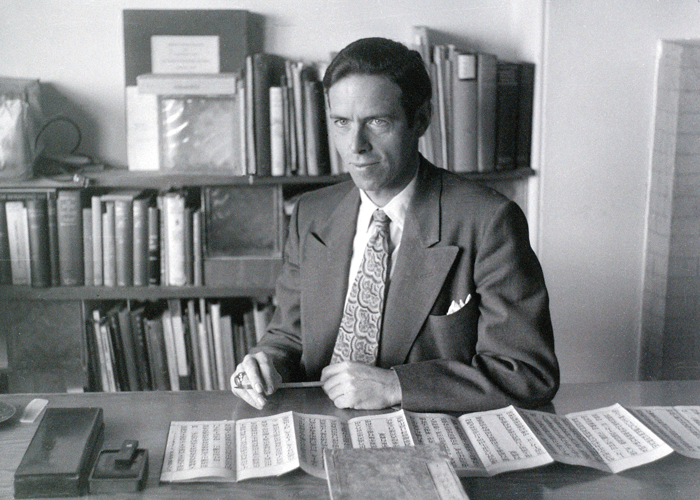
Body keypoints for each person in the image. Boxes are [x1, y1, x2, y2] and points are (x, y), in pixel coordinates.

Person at [231, 37, 559, 413]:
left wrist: (396, 386)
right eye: (341, 122)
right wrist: (265, 362)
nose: (356, 145)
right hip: (319, 427)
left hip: (430, 435)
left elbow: (527, 373)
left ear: (420, 121)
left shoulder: (488, 221)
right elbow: (289, 335)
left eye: (377, 122)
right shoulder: (311, 214)